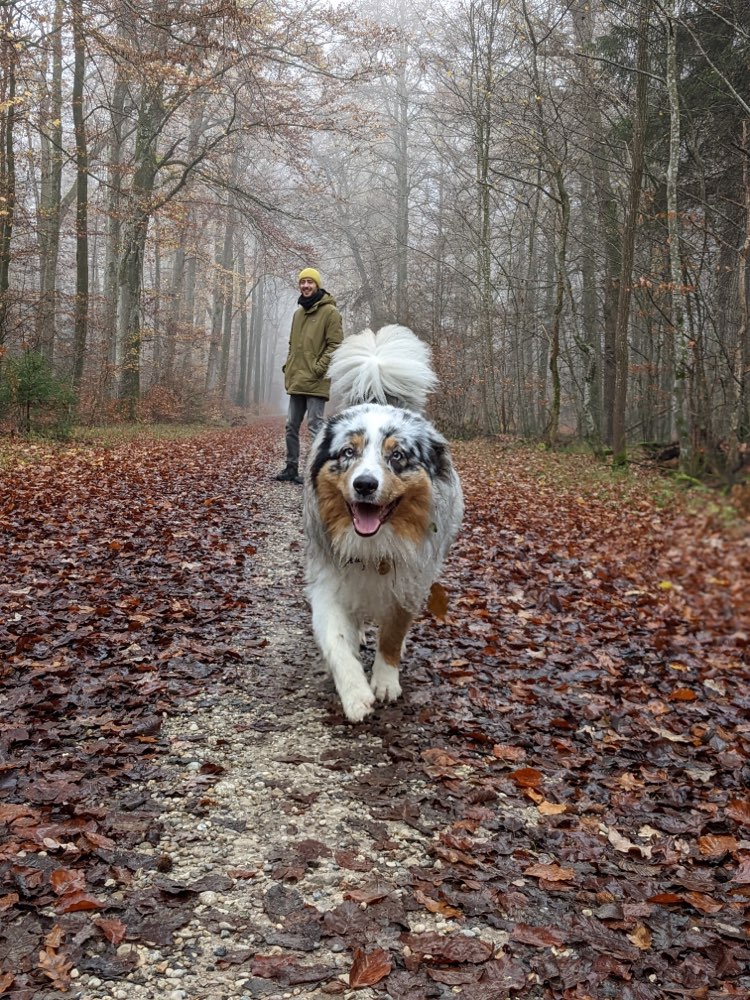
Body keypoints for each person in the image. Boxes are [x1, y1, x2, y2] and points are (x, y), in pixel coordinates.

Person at [275, 267, 343, 483]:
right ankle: (291, 468)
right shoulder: (298, 314)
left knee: (315, 425)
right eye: (302, 282)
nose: (305, 286)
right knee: (291, 425)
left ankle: (318, 474)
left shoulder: (330, 312)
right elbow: (292, 345)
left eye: (309, 282)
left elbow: (335, 345)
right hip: (297, 378)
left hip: (316, 379)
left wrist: (318, 368)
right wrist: (289, 365)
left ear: (317, 285)